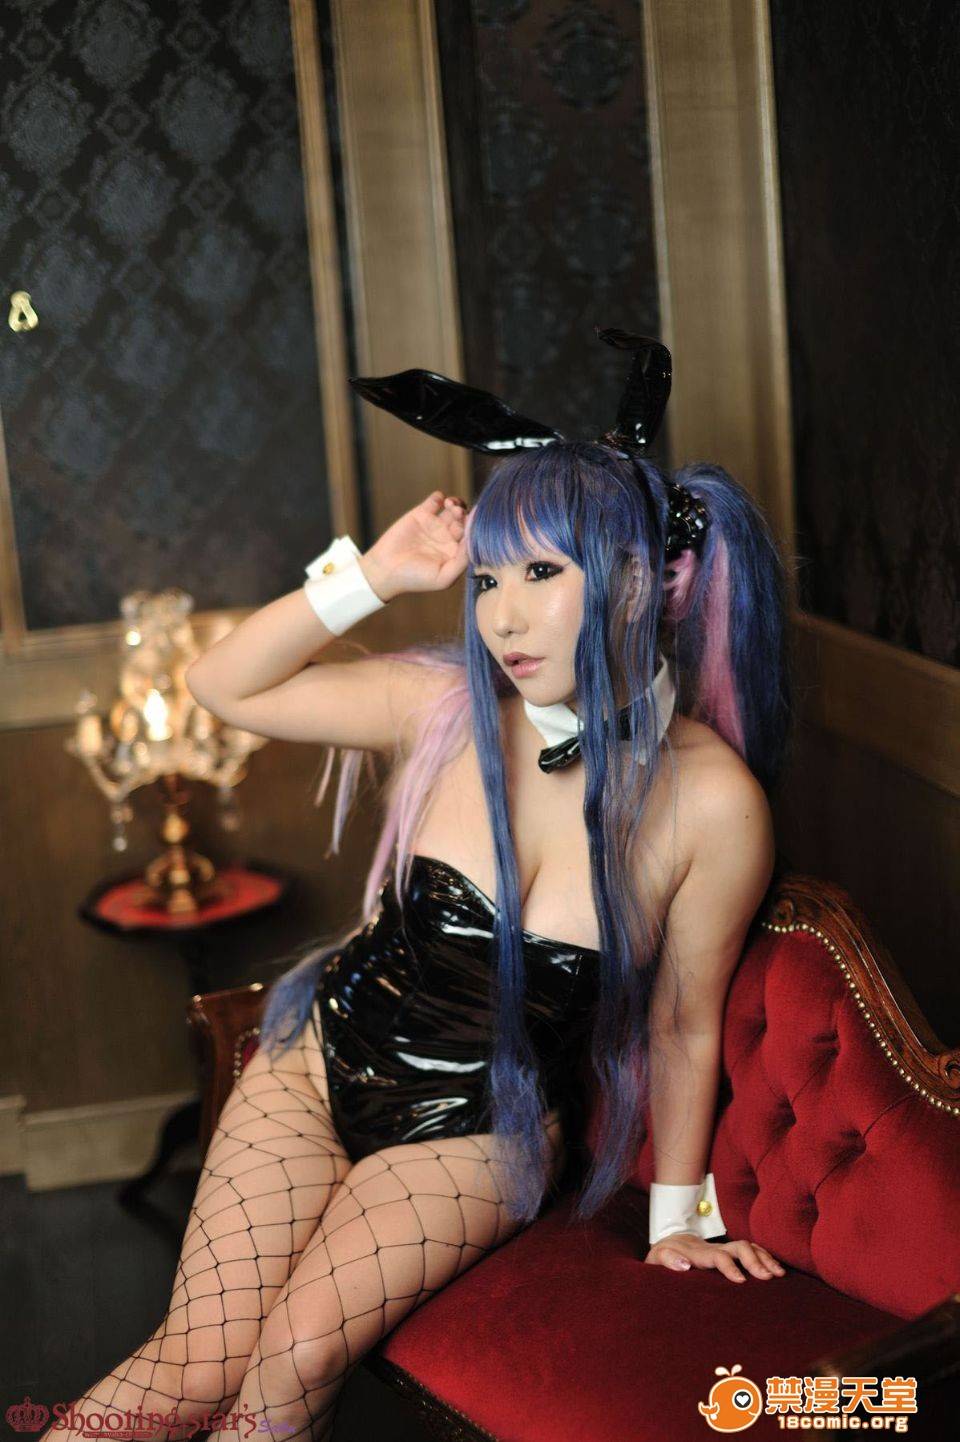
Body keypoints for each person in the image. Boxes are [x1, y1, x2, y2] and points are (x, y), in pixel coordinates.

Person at [49, 337, 792, 1442]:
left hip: (476, 1127)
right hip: (316, 1060)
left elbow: (684, 1023)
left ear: (634, 580)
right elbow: (223, 684)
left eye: (541, 574)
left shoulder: (716, 805)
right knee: (191, 1367)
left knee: (290, 1367)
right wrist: (377, 575)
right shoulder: (446, 709)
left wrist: (675, 1220)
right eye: (488, 579)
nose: (502, 616)